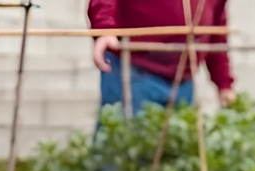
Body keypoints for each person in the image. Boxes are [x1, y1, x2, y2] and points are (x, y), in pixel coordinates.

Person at [88, 0, 237, 118]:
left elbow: (216, 26)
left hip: (184, 80)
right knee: (125, 143)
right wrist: (105, 28)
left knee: (178, 146)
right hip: (134, 69)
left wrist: (224, 83)